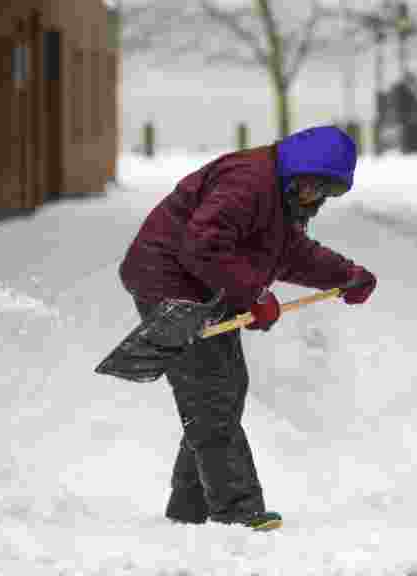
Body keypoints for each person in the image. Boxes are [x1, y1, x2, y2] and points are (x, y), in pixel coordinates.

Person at [117, 125, 377, 531]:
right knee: (212, 393)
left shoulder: (278, 197)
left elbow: (291, 253)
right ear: (296, 172)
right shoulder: (248, 183)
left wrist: (345, 276)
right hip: (168, 283)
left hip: (202, 286)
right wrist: (252, 294)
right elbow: (201, 244)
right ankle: (236, 512)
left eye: (326, 193)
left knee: (222, 389)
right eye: (313, 188)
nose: (315, 199)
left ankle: (191, 506)